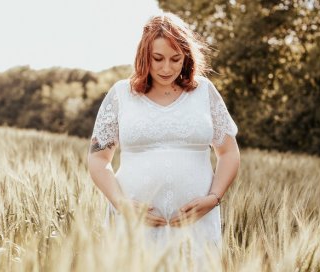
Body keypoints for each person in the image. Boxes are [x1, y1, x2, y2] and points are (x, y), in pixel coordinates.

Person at [87, 12, 240, 269]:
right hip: (134, 224)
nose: (166, 68)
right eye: (157, 59)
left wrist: (214, 198)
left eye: (175, 59)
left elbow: (229, 153)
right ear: (144, 55)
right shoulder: (120, 95)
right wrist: (120, 203)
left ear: (186, 57)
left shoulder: (204, 92)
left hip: (196, 224)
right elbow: (98, 158)